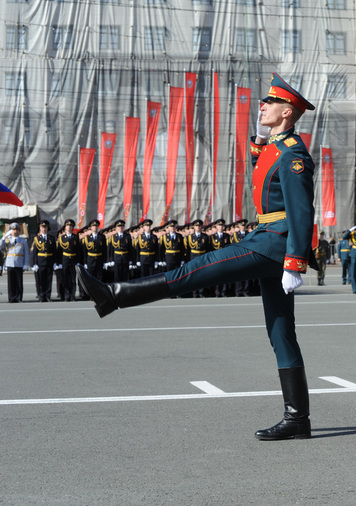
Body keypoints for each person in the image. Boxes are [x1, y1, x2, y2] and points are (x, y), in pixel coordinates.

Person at [77, 72, 317, 441]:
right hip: (266, 237)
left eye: (270, 103)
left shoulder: (293, 154)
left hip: (273, 244)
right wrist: (259, 143)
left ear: (288, 112)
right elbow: (264, 178)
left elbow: (301, 210)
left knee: (195, 269)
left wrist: (295, 260)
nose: (262, 105)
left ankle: (115, 295)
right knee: (281, 333)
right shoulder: (275, 147)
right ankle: (298, 419)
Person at [1, 222, 30, 302]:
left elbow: (26, 253)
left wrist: (26, 264)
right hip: (10, 263)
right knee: (11, 282)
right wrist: (3, 238)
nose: (15, 231)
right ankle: (11, 297)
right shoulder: (7, 240)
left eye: (17, 229)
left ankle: (19, 297)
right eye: (13, 230)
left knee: (19, 282)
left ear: (19, 231)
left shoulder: (23, 241)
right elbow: (1, 248)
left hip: (19, 263)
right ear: (11, 231)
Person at [30, 220, 56, 302]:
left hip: (49, 261)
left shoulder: (51, 238)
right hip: (40, 262)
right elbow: (34, 252)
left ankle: (48, 296)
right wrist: (34, 264)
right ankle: (41, 296)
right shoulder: (37, 239)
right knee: (40, 280)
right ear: (40, 228)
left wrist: (55, 262)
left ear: (48, 228)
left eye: (45, 227)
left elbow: (54, 251)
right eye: (42, 227)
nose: (44, 229)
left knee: (49, 280)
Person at [56, 219, 79, 301]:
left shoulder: (75, 237)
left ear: (72, 227)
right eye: (68, 226)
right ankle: (66, 295)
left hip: (73, 260)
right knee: (65, 279)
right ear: (65, 227)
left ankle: (72, 295)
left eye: (71, 226)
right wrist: (59, 262)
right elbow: (59, 251)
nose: (69, 227)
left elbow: (78, 250)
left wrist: (78, 262)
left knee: (73, 279)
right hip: (65, 260)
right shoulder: (61, 238)